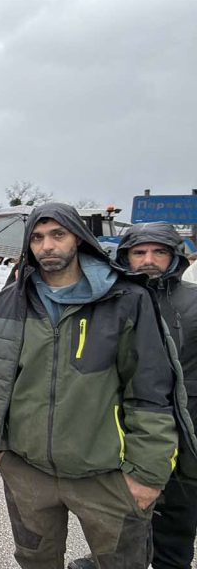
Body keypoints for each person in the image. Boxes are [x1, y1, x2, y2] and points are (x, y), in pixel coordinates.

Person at [0, 203, 196, 569]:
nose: (47, 246)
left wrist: (146, 476)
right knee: (34, 560)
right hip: (27, 472)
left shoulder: (126, 300)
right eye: (37, 238)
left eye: (58, 235)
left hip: (106, 477)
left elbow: (150, 391)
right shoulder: (8, 303)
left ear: (79, 240)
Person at [68, 223, 197, 569]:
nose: (149, 260)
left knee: (173, 530)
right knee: (116, 516)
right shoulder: (107, 302)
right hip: (121, 432)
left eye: (159, 252)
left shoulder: (193, 303)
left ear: (175, 256)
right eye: (139, 253)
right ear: (125, 257)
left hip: (182, 436)